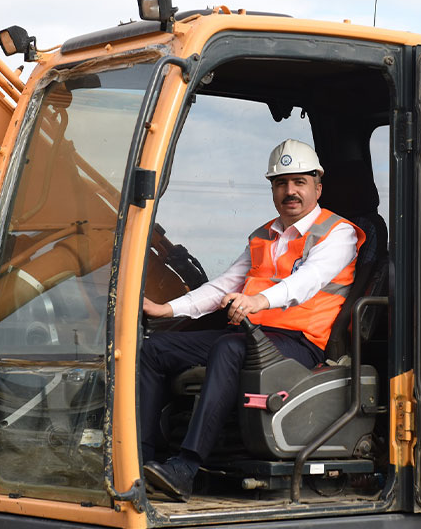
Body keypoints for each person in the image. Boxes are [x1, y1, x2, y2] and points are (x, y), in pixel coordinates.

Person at [139, 139, 365, 501]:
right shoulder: (263, 236)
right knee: (153, 350)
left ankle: (186, 468)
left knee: (229, 348)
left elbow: (306, 282)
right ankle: (143, 460)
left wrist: (257, 300)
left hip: (299, 344)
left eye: (299, 182)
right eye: (281, 183)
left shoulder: (338, 233)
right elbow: (224, 285)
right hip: (252, 336)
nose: (290, 191)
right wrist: (165, 310)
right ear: (273, 189)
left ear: (317, 188)